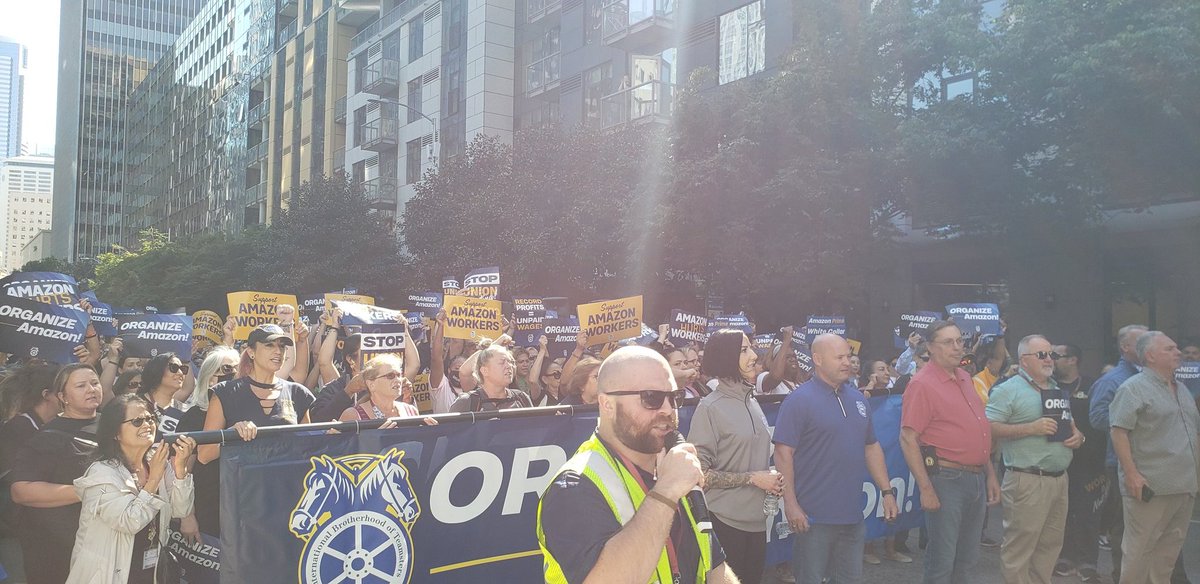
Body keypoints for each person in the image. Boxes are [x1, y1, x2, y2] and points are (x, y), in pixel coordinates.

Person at [537, 346, 740, 583]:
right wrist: (666, 492)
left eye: (674, 397)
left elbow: (713, 564)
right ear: (607, 404)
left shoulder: (672, 468)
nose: (668, 409)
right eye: (651, 398)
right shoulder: (572, 487)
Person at [773, 334, 899, 584]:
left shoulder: (858, 399)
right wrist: (791, 504)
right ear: (817, 359)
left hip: (853, 517)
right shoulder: (799, 400)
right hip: (813, 519)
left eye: (849, 356)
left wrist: (887, 491)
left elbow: (871, 447)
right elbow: (782, 452)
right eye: (839, 357)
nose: (847, 362)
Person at [899, 320, 1000, 584]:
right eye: (948, 342)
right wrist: (926, 488)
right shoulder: (922, 384)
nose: (957, 347)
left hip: (975, 476)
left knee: (967, 560)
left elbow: (978, 430)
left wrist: (989, 473)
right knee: (942, 561)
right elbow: (908, 438)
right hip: (946, 479)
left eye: (960, 341)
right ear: (930, 347)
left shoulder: (964, 377)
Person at [64, 394, 196, 584]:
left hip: (150, 571)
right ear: (115, 433)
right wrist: (153, 480)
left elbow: (181, 510)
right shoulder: (101, 473)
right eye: (137, 421)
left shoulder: (157, 463)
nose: (147, 425)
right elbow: (129, 522)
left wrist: (181, 470)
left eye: (150, 418)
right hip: (108, 574)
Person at [986, 335, 1085, 584]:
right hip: (1027, 479)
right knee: (1019, 549)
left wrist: (1078, 437)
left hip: (1059, 480)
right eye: (1042, 355)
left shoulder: (1055, 388)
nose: (1049, 359)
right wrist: (1031, 428)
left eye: (1051, 354)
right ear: (1024, 360)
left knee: (1050, 546)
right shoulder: (1007, 389)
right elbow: (987, 428)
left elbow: (1070, 426)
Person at [687, 330, 781, 584]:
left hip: (758, 522)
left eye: (750, 348)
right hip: (725, 523)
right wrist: (752, 479)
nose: (753, 356)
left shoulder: (751, 400)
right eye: (743, 350)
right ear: (726, 357)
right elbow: (699, 475)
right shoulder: (709, 408)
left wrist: (767, 479)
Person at [1109, 332, 1199, 584]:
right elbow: (1118, 432)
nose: (1178, 352)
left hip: (1183, 486)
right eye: (1170, 349)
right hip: (1150, 486)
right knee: (1138, 554)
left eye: (1176, 347)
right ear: (1150, 356)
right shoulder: (1132, 388)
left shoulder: (1181, 389)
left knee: (1166, 557)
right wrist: (1132, 474)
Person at [9, 364, 105, 584]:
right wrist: (86, 491)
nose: (91, 389)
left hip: (100, 542)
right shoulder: (48, 436)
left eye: (94, 383)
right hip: (53, 547)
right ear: (63, 397)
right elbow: (20, 491)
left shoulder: (113, 425)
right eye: (81, 385)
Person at [197, 324, 315, 503]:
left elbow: (309, 448)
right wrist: (231, 434)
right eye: (269, 345)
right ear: (251, 352)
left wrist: (333, 436)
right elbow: (204, 455)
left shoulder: (298, 394)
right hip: (243, 501)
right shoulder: (225, 392)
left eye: (282, 346)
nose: (278, 352)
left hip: (288, 497)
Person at [1088, 324, 1149, 583]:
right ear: (1125, 347)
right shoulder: (1112, 380)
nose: (1148, 345)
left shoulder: (1153, 376)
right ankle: (1121, 576)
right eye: (1141, 341)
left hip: (1151, 461)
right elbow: (1097, 417)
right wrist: (1136, 422)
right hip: (1122, 463)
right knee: (1124, 527)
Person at [175, 345, 239, 541]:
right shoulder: (194, 417)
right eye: (227, 369)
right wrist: (187, 515)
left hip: (241, 512)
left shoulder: (246, 413)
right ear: (210, 378)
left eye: (239, 368)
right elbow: (181, 470)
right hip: (207, 510)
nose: (235, 373)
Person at [1053, 343, 1105, 582]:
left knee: (1087, 513)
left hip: (1088, 461)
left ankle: (1087, 561)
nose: (1051, 360)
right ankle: (1064, 556)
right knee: (1060, 512)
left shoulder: (1092, 385)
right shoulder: (1048, 386)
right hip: (1056, 460)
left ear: (1073, 359)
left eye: (1057, 356)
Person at [339, 355, 426, 422]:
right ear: (371, 384)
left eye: (399, 375)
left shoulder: (411, 411)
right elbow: (342, 445)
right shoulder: (353, 415)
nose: (398, 380)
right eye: (390, 376)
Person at [449, 341, 532, 412]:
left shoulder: (521, 398)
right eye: (502, 362)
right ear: (485, 370)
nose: (509, 366)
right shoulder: (467, 402)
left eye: (511, 362)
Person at [135, 353, 190, 432]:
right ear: (157, 370)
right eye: (174, 368)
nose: (180, 373)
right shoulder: (134, 404)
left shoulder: (184, 411)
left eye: (183, 369)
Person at [972, 334, 1008, 405]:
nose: (1001, 362)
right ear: (988, 362)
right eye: (997, 359)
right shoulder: (977, 381)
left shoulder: (1004, 378)